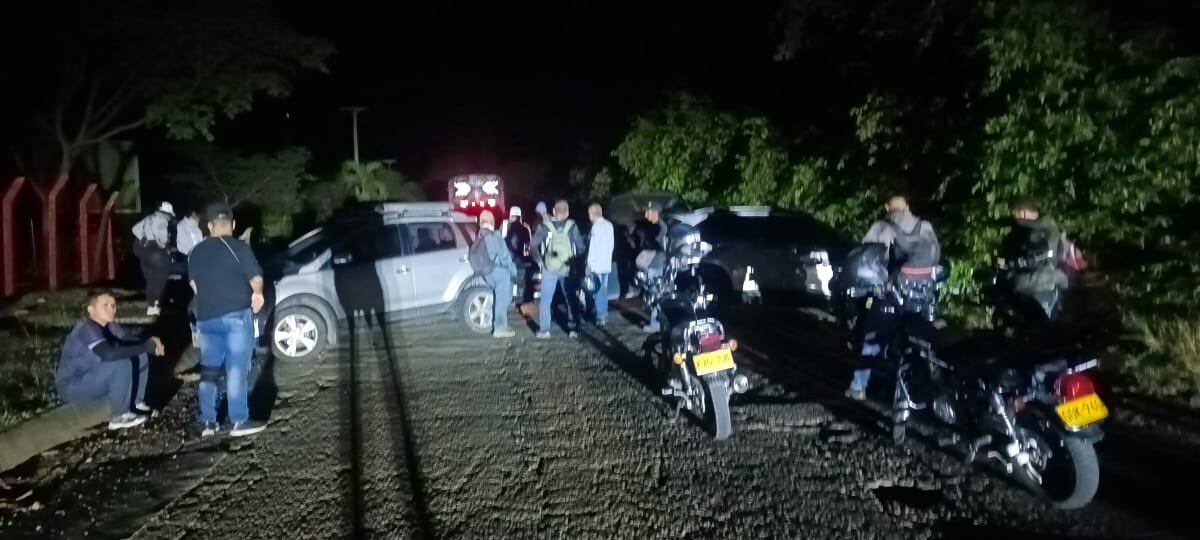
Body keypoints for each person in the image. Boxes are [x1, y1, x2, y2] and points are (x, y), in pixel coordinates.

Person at [846, 195, 940, 401]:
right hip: (923, 294)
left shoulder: (883, 226)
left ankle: (858, 387)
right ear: (907, 206)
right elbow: (936, 256)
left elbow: (866, 258)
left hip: (894, 293)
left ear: (887, 207)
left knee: (874, 338)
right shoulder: (925, 226)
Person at [188, 203, 267, 438]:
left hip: (206, 319)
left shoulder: (196, 252)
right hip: (235, 317)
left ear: (210, 226)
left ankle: (208, 422)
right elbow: (255, 277)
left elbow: (194, 286)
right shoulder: (239, 247)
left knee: (210, 370)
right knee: (236, 369)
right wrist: (258, 294)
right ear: (232, 225)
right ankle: (238, 421)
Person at [55, 290, 164, 430]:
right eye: (105, 305)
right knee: (120, 363)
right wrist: (145, 346)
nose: (111, 309)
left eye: (113, 305)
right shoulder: (86, 329)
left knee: (140, 355)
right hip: (72, 385)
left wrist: (150, 341)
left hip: (93, 376)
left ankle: (136, 404)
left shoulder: (109, 325)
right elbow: (108, 355)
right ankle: (118, 416)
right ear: (91, 310)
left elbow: (130, 340)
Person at [996, 199, 1075, 328]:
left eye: (1015, 214)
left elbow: (1038, 258)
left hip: (1035, 288)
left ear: (1023, 213)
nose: (1014, 218)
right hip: (1038, 288)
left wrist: (1010, 263)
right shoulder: (1044, 230)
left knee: (1037, 330)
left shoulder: (1036, 233)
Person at [532, 200, 585, 339]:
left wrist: (540, 261)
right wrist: (575, 264)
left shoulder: (545, 226)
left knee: (545, 299)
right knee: (570, 297)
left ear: (554, 211)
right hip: (567, 268)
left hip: (549, 267)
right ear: (567, 212)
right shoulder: (572, 226)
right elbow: (581, 248)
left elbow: (533, 246)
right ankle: (573, 329)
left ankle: (545, 330)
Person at [471, 210, 519, 338]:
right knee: (502, 300)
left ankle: (498, 323)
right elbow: (505, 257)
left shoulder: (479, 236)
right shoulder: (495, 235)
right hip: (499, 272)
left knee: (498, 299)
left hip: (487, 274)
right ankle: (500, 327)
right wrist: (514, 272)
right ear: (492, 222)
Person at [131, 202, 176, 316]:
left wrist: (143, 237)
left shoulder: (149, 218)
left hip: (144, 253)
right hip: (157, 253)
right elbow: (163, 238)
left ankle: (151, 306)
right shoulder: (162, 221)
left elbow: (134, 229)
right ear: (168, 213)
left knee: (150, 281)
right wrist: (163, 244)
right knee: (160, 280)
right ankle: (156, 304)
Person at [636, 200, 670, 333]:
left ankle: (656, 323)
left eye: (648, 212)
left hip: (656, 264)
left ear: (655, 212)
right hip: (653, 263)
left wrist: (646, 241)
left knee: (655, 293)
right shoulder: (655, 226)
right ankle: (656, 321)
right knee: (653, 293)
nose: (645, 215)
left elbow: (660, 247)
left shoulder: (660, 227)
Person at [586, 202, 615, 327]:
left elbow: (592, 247)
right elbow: (612, 245)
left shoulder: (595, 227)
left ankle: (600, 315)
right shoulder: (609, 225)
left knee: (597, 290)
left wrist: (589, 264)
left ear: (591, 214)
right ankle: (603, 313)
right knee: (603, 290)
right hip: (606, 263)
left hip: (596, 265)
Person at [504, 206, 534, 303]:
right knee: (523, 280)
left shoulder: (505, 226)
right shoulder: (525, 228)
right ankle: (523, 298)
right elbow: (528, 245)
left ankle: (509, 299)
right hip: (521, 260)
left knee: (509, 280)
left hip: (508, 260)